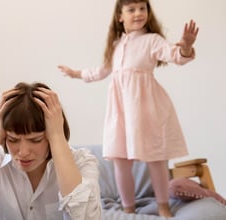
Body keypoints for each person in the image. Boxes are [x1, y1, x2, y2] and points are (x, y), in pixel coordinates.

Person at [57, 0, 199, 217]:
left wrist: (186, 47)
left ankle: (163, 206)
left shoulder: (152, 40)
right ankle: (128, 207)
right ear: (120, 16)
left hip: (148, 108)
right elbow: (101, 71)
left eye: (143, 8)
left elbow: (174, 56)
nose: (138, 13)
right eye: (131, 9)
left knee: (156, 157)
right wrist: (76, 73)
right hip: (120, 113)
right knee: (120, 160)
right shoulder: (116, 45)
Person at [0, 82, 102, 220]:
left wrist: (58, 135)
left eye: (35, 140)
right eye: (13, 139)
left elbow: (87, 217)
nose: (23, 152)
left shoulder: (82, 161)